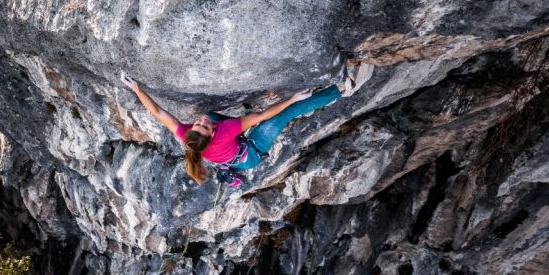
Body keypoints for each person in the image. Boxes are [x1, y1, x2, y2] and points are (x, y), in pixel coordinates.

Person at [121, 62, 373, 184]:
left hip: (229, 151)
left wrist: (136, 88)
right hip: (250, 152)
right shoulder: (225, 131)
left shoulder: (187, 136)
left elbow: (156, 112)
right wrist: (293, 97)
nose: (202, 121)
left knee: (214, 112)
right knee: (288, 112)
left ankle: (230, 156)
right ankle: (342, 88)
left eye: (197, 123)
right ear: (212, 135)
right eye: (205, 126)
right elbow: (264, 117)